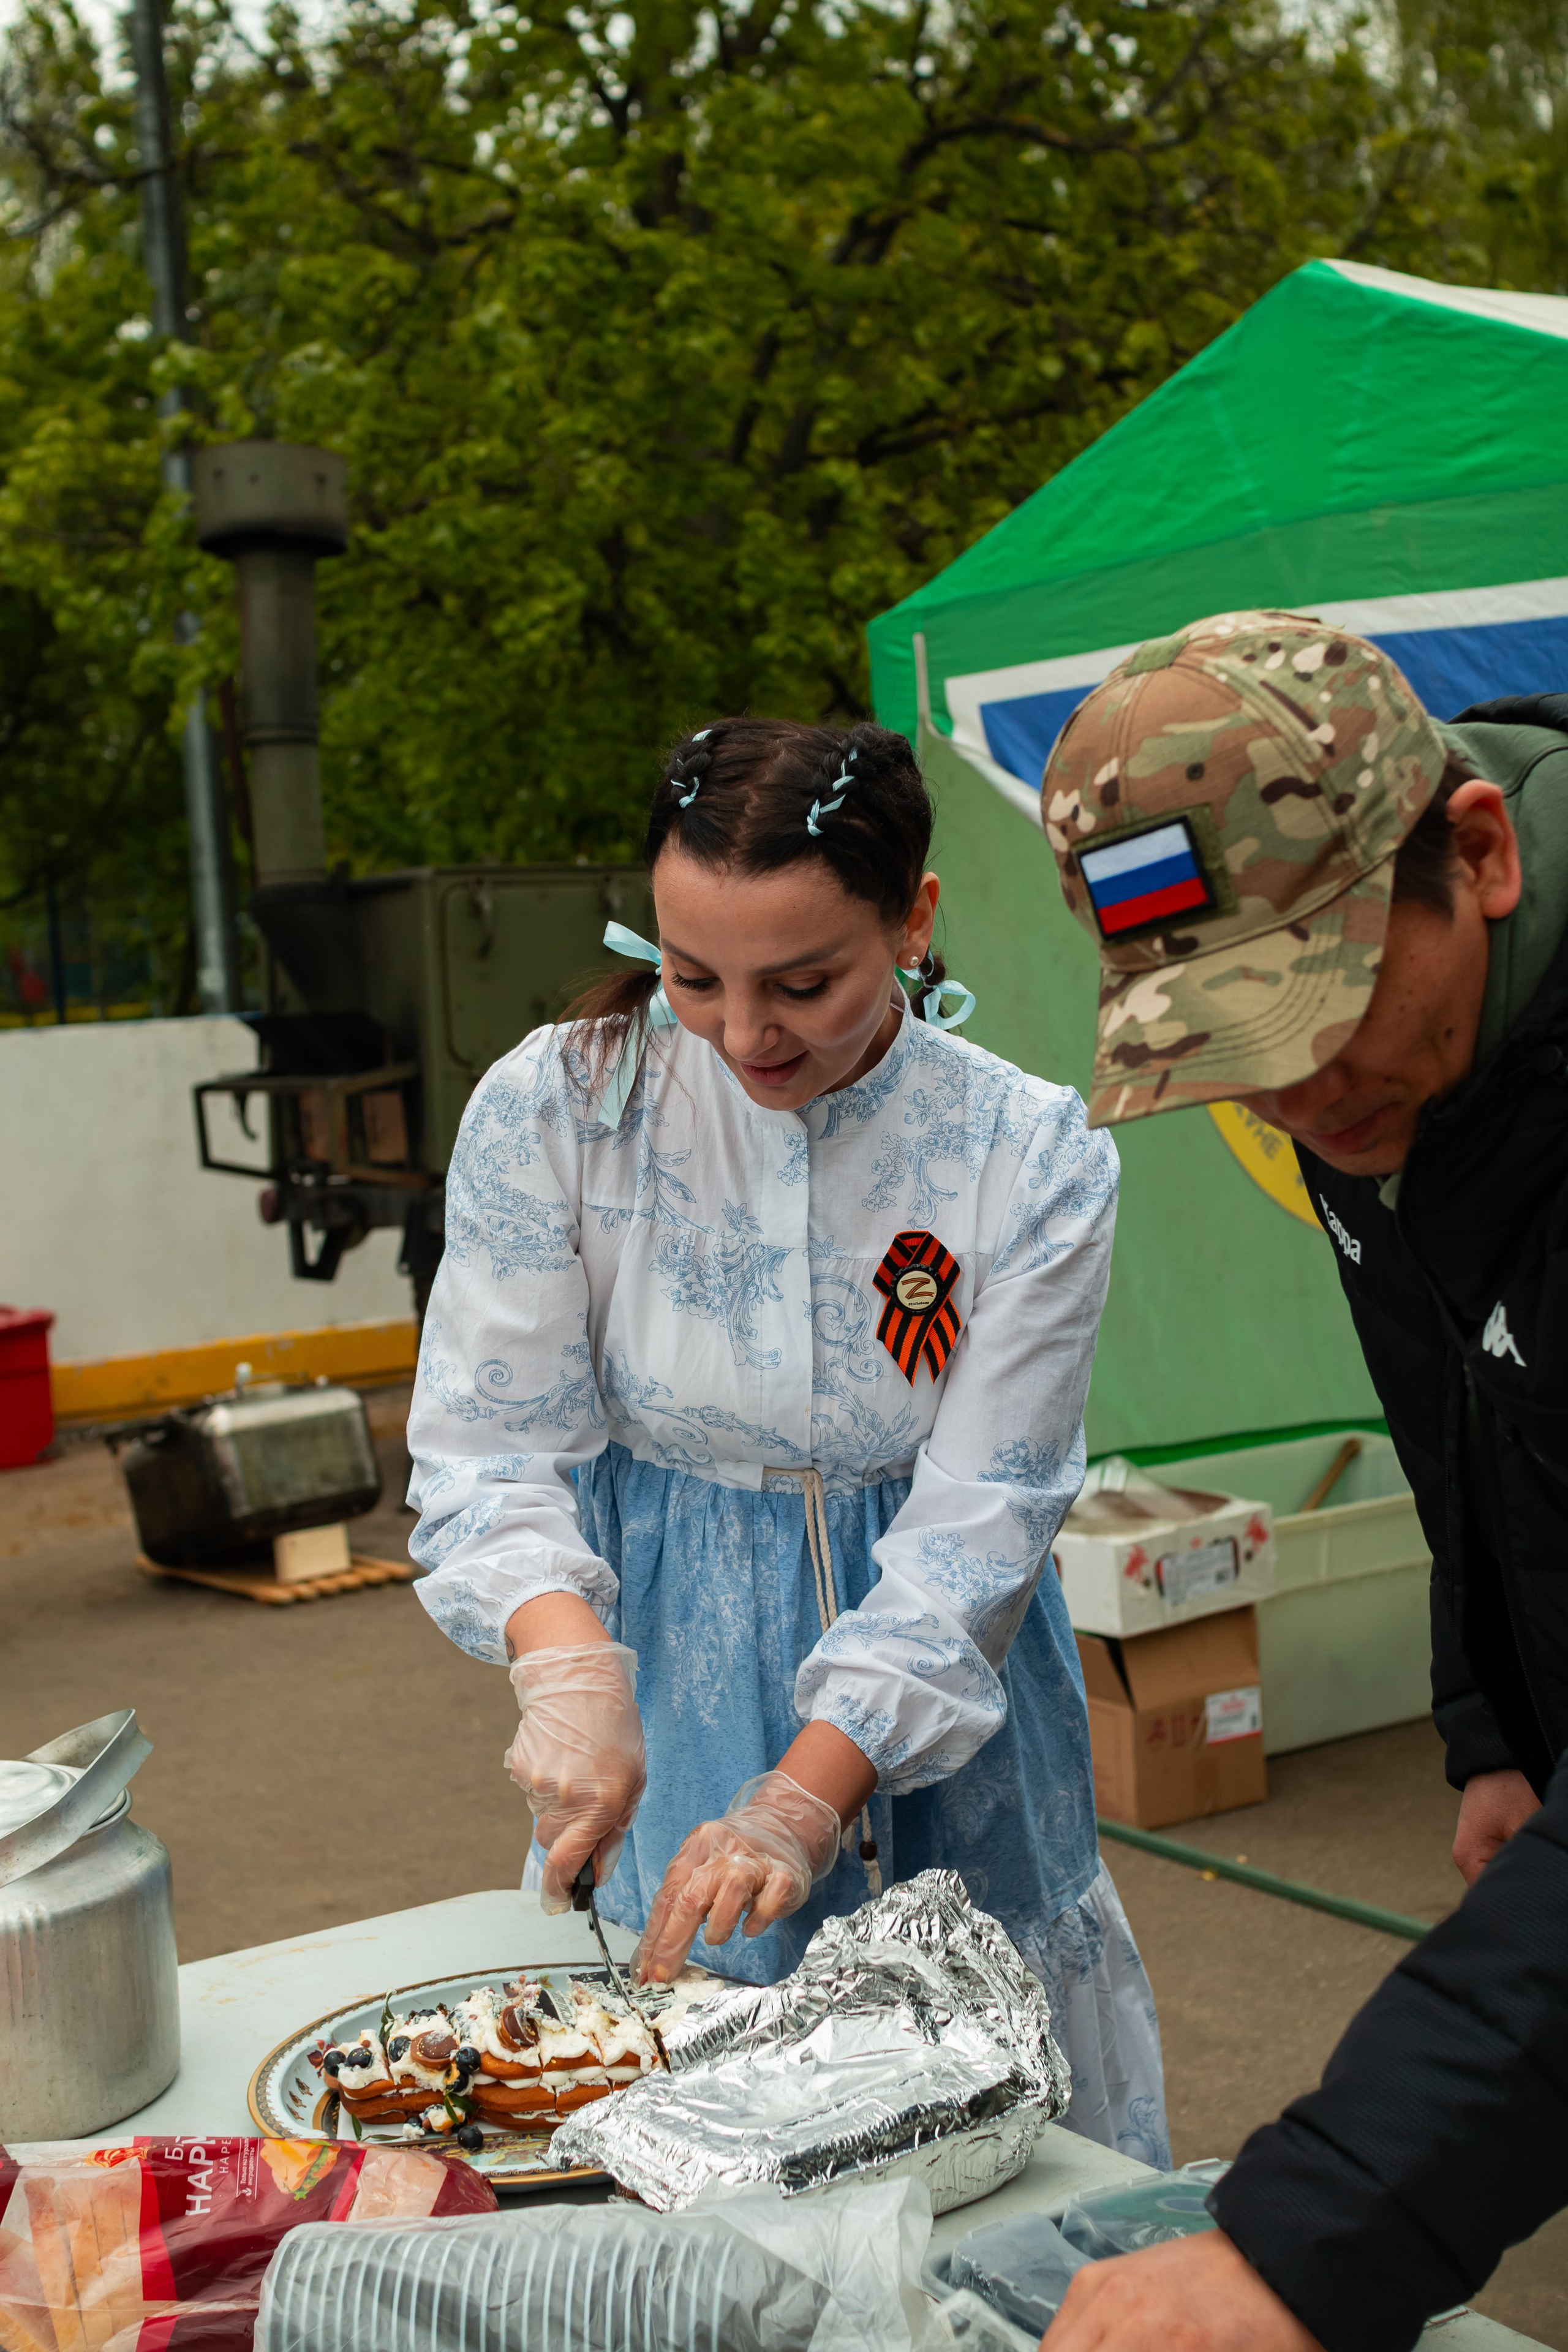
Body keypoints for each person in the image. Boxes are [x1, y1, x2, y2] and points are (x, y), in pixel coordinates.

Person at [406, 715, 1170, 2162]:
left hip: (949, 1681)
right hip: (673, 1662)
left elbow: (983, 1518)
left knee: (986, 2128)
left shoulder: (1021, 1154)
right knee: (688, 2094)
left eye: (804, 984)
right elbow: (490, 1441)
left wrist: (803, 1798)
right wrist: (568, 1668)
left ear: (912, 921)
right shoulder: (562, 1107)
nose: (747, 1036)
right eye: (692, 978)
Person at [1033, 613, 1568, 2351]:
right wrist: (1495, 1727)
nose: (1288, 1093)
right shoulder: (1381, 1081)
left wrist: (1302, 2245)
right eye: (1223, 1042)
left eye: (1313, 1010)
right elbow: (1459, 1399)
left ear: (1476, 855)